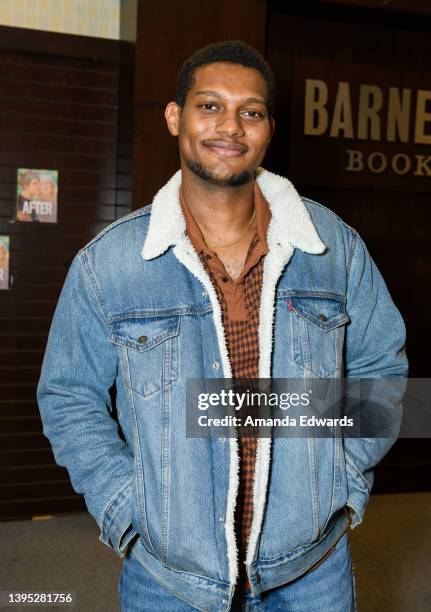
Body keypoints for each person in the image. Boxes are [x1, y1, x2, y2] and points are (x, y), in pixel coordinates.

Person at [37, 40, 408, 611]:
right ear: (173, 117)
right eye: (209, 106)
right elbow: (68, 396)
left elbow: (381, 367)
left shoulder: (335, 248)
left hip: (311, 566)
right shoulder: (108, 265)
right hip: (169, 575)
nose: (230, 126)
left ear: (267, 128)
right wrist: (125, 506)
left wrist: (341, 476)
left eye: (250, 111)